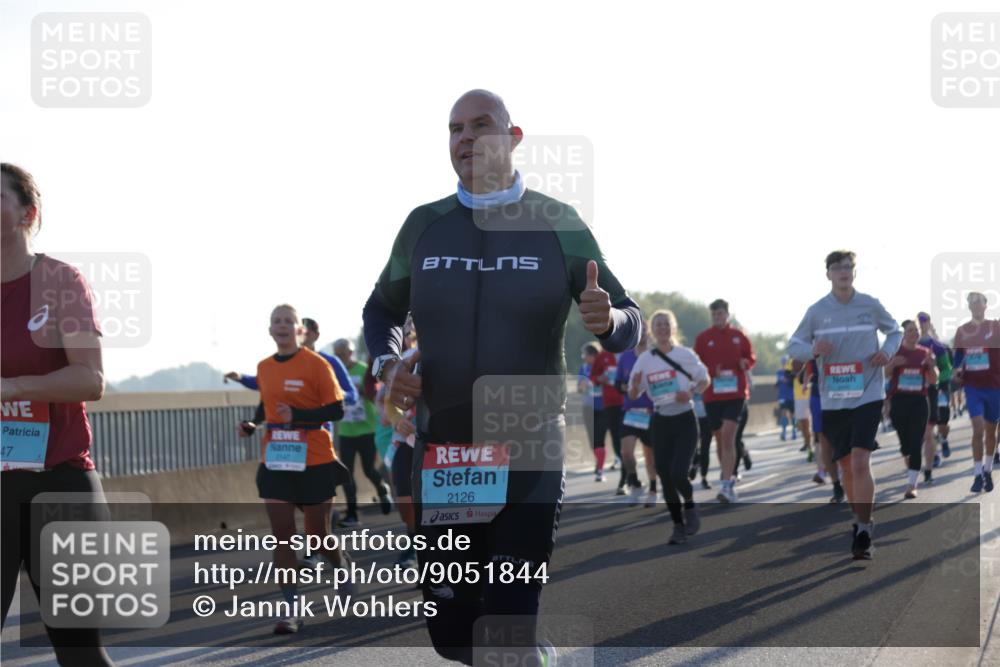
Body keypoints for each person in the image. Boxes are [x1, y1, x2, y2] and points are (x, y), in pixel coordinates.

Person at [362, 89, 641, 665]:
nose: (465, 137)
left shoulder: (558, 223)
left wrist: (607, 318)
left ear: (513, 138)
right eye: (454, 128)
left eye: (480, 125)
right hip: (447, 455)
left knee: (508, 624)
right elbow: (380, 310)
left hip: (528, 453)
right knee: (454, 635)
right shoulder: (424, 227)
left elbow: (628, 319)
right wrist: (389, 364)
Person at [1, 163, 114, 665]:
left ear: (28, 212)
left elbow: (90, 379)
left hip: (59, 481)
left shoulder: (60, 281)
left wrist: (9, 389)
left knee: (79, 653)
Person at [237, 304, 351, 634]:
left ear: (300, 331)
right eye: (277, 321)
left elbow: (338, 409)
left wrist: (298, 417)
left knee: (317, 536)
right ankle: (291, 609)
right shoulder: (264, 367)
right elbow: (266, 406)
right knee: (283, 536)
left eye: (289, 321)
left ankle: (340, 564)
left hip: (314, 459)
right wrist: (252, 423)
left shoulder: (317, 365)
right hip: (276, 459)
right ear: (270, 330)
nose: (283, 325)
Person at [788, 250, 901, 560]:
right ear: (828, 274)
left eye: (848, 266)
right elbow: (793, 345)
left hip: (868, 393)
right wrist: (812, 348)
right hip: (834, 398)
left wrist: (887, 352)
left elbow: (895, 330)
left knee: (862, 461)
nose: (843, 271)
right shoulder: (816, 311)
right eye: (837, 267)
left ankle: (864, 528)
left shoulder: (870, 304)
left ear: (854, 271)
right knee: (847, 467)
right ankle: (857, 518)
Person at [629, 310, 709, 544]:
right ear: (652, 331)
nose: (662, 328)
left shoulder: (685, 354)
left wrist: (692, 392)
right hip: (661, 420)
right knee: (664, 475)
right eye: (658, 325)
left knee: (678, 473)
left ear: (673, 328)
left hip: (684, 418)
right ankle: (677, 526)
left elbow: (705, 380)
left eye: (666, 324)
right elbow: (634, 394)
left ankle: (691, 506)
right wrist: (634, 387)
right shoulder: (645, 359)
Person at [694, 299, 756, 503]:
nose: (718, 318)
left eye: (721, 314)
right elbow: (696, 366)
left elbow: (750, 357)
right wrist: (713, 372)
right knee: (720, 439)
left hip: (736, 394)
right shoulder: (703, 338)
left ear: (727, 314)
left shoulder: (739, 336)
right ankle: (726, 475)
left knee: (729, 435)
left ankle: (727, 484)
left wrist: (745, 362)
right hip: (712, 395)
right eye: (714, 315)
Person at [332, 337, 392, 527]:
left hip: (367, 429)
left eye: (344, 354)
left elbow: (376, 393)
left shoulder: (363, 369)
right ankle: (352, 514)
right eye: (338, 355)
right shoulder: (334, 373)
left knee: (368, 469)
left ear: (351, 353)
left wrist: (362, 391)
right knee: (346, 474)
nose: (342, 358)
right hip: (346, 431)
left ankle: (382, 489)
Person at [952, 292, 999, 493]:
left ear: (986, 305)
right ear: (969, 307)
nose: (976, 305)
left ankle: (988, 470)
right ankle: (977, 474)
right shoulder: (962, 331)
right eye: (972, 302)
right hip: (973, 387)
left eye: (979, 301)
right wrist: (956, 372)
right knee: (978, 429)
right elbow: (957, 357)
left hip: (995, 386)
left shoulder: (996, 327)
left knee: (991, 432)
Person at [886, 320, 937, 499]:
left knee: (916, 443)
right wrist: (892, 364)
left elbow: (933, 379)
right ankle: (910, 464)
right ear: (904, 334)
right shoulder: (895, 352)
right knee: (905, 445)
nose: (914, 333)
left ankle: (912, 484)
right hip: (899, 401)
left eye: (915, 330)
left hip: (919, 401)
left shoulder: (924, 353)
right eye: (910, 330)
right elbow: (884, 374)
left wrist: (931, 364)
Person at [615, 323, 656, 504]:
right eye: (639, 331)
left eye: (645, 331)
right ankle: (634, 482)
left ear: (649, 333)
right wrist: (627, 388)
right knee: (626, 453)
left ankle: (653, 489)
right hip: (631, 411)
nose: (642, 335)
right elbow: (618, 384)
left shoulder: (655, 356)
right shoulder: (625, 357)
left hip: (651, 412)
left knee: (650, 455)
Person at [917, 312, 954, 461]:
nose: (921, 323)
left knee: (943, 422)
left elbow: (947, 368)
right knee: (927, 423)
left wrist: (938, 381)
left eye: (924, 320)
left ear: (929, 322)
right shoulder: (914, 344)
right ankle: (934, 453)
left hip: (940, 388)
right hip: (922, 390)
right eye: (919, 320)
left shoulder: (937, 346)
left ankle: (944, 440)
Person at [590, 345, 626, 492]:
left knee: (639, 441)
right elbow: (593, 376)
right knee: (617, 441)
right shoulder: (603, 356)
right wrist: (600, 378)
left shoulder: (630, 353)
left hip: (630, 403)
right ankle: (626, 478)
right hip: (611, 404)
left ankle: (636, 477)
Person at [578, 343, 607, 482]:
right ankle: (599, 462)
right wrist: (582, 386)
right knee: (592, 442)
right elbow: (579, 388)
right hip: (588, 408)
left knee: (599, 440)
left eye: (586, 355)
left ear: (594, 355)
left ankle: (600, 470)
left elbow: (611, 382)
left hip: (603, 408)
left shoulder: (604, 367)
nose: (584, 358)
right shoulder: (583, 368)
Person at [777, 357, 795, 440]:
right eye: (783, 362)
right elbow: (779, 382)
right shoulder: (779, 372)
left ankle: (794, 432)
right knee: (783, 414)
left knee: (792, 415)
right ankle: (783, 432)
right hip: (782, 396)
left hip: (791, 396)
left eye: (785, 362)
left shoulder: (792, 372)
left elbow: (789, 381)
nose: (784, 364)